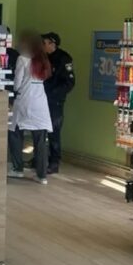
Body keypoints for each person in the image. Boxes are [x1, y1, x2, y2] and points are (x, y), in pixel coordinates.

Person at [8, 31, 53, 185]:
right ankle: (42, 175)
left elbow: (17, 82)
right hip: (40, 100)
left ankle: (18, 168)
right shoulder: (43, 59)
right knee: (40, 139)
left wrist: (13, 90)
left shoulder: (23, 59)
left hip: (25, 99)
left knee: (15, 132)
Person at [42, 32, 75, 174]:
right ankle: (39, 159)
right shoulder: (43, 57)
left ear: (52, 44)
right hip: (40, 99)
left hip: (54, 101)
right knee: (40, 130)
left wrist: (54, 94)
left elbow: (69, 82)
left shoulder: (63, 58)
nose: (42, 46)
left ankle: (54, 162)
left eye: (44, 43)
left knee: (54, 132)